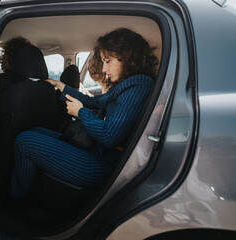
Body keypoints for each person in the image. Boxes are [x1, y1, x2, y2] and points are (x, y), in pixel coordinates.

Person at [9, 28, 159, 199]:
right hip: (99, 153)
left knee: (24, 142)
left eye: (108, 61)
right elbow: (96, 102)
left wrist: (80, 112)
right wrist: (61, 87)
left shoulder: (138, 86)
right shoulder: (128, 85)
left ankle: (15, 203)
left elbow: (110, 136)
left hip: (104, 166)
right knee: (35, 131)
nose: (103, 68)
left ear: (129, 58)